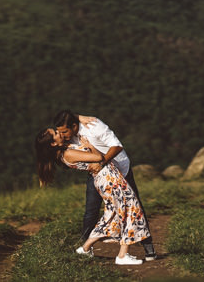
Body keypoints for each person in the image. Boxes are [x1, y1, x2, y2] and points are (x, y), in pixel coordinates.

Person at [34, 127, 150, 265]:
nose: (59, 133)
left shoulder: (65, 150)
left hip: (107, 177)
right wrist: (90, 146)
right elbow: (99, 158)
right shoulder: (68, 153)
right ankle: (122, 255)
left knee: (114, 213)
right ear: (53, 143)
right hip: (108, 178)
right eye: (56, 133)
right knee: (129, 209)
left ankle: (85, 248)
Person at [52, 110, 157, 260]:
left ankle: (148, 248)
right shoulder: (66, 136)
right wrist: (76, 116)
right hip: (99, 175)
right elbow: (51, 136)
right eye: (60, 132)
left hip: (120, 168)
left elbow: (117, 146)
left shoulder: (94, 126)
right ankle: (85, 248)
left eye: (64, 131)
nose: (62, 135)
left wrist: (102, 162)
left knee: (134, 206)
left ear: (74, 126)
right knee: (92, 209)